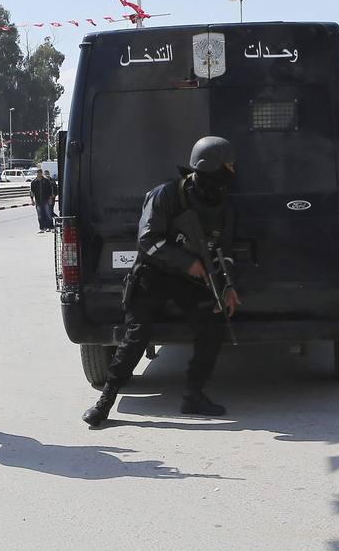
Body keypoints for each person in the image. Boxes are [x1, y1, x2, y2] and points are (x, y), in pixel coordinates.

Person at [82, 135, 242, 428]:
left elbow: (225, 253)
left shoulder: (222, 206)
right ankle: (105, 401)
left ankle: (193, 396)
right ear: (212, 167)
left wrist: (227, 286)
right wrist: (188, 262)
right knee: (136, 336)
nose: (233, 171)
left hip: (188, 280)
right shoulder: (167, 195)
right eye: (228, 165)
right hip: (152, 274)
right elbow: (147, 239)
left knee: (213, 326)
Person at [30, 167, 57, 233]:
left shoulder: (46, 181)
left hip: (46, 200)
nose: (39, 174)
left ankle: (50, 227)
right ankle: (42, 228)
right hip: (38, 200)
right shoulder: (34, 182)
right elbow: (32, 192)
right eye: (38, 173)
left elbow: (50, 190)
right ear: (36, 174)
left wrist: (50, 199)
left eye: (40, 173)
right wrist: (32, 200)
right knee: (40, 215)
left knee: (48, 214)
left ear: (41, 173)